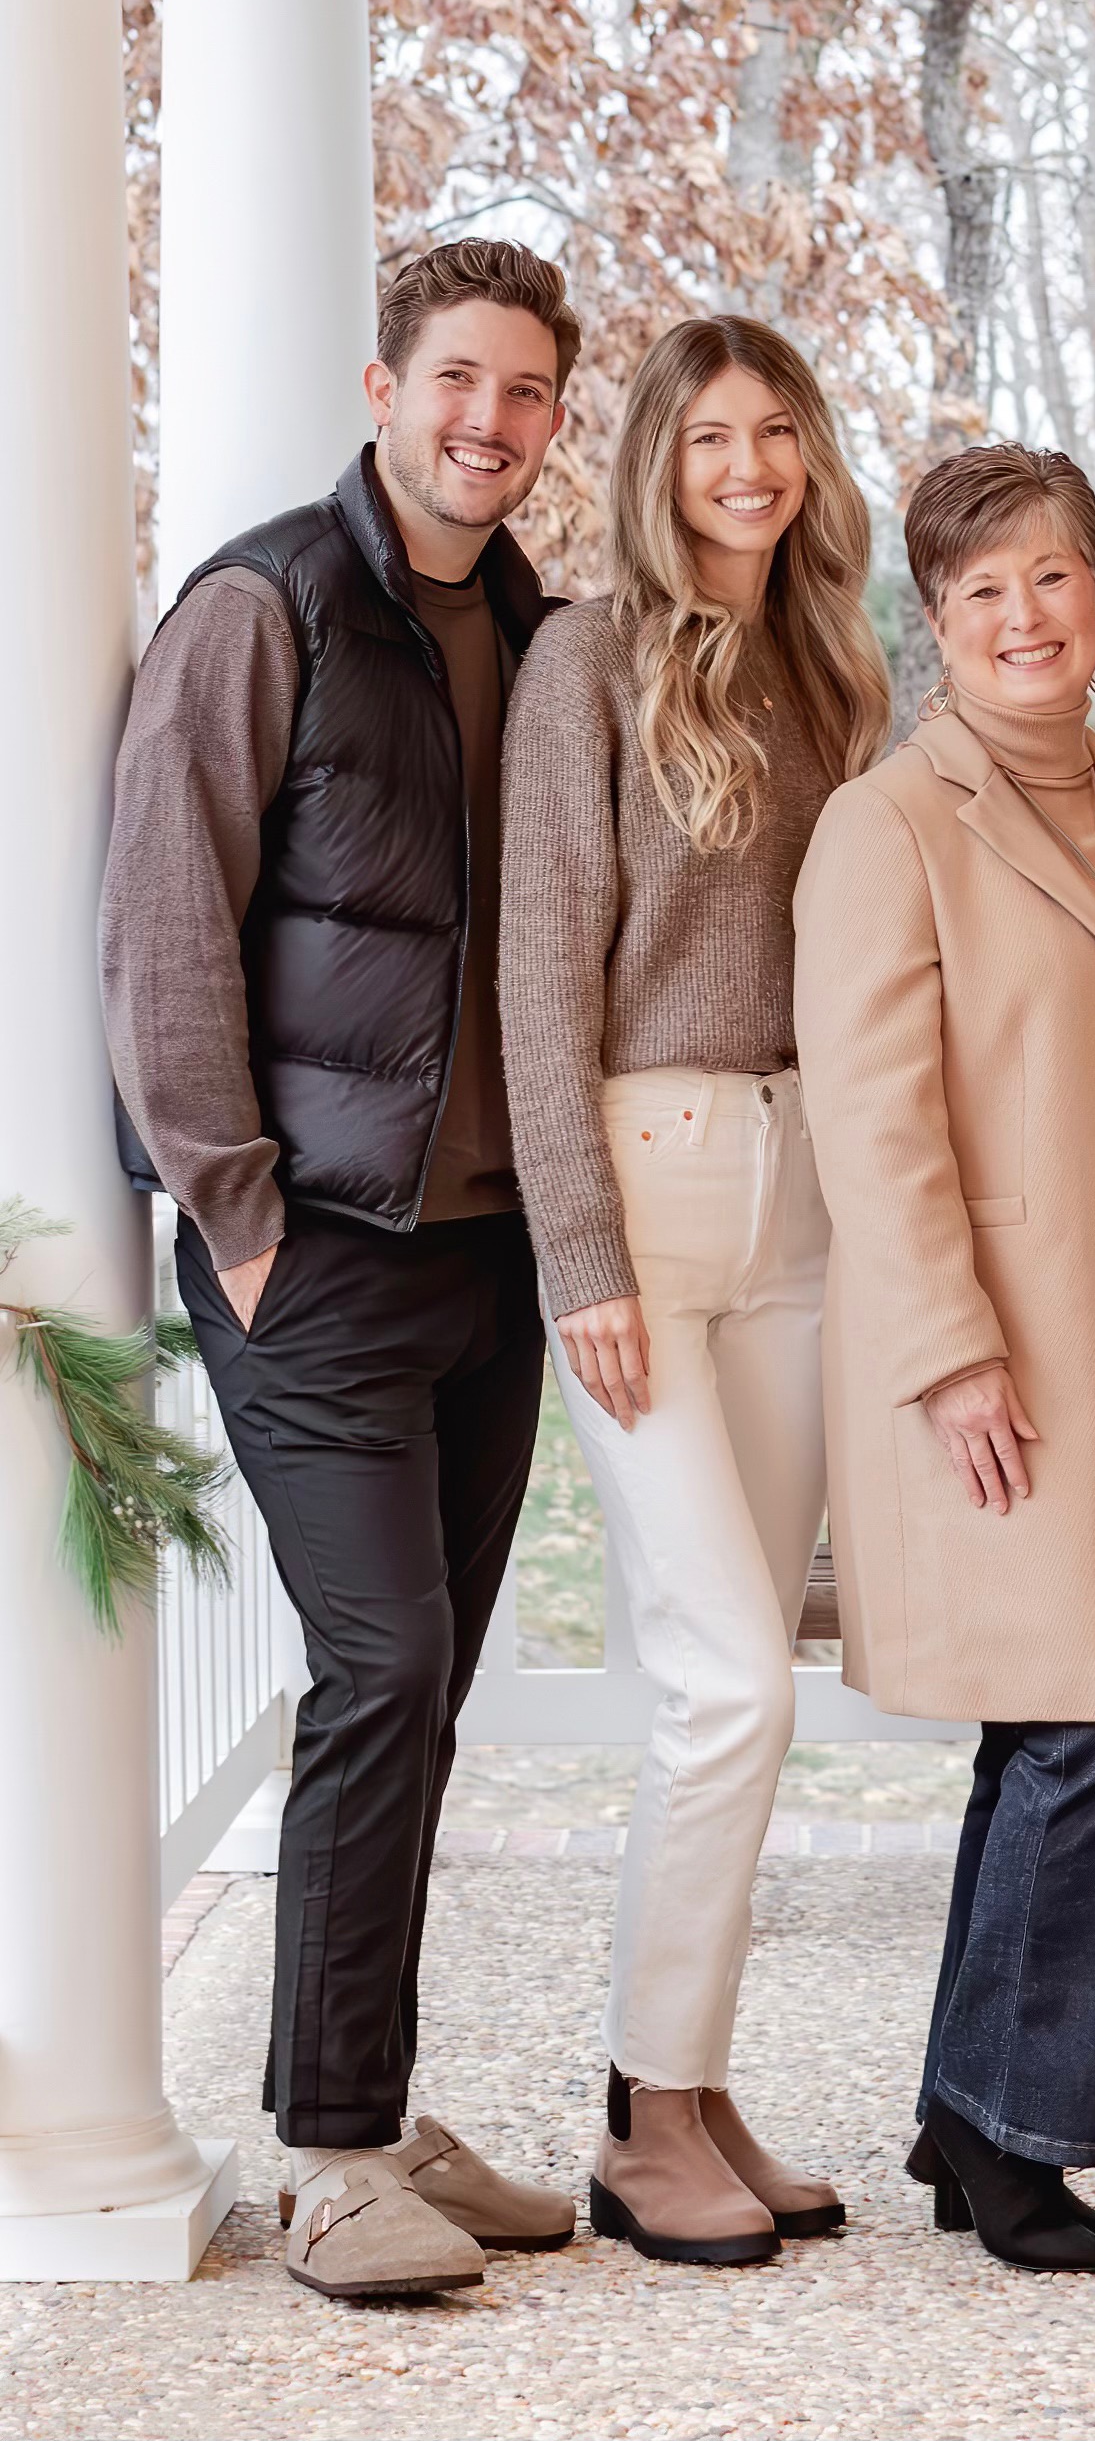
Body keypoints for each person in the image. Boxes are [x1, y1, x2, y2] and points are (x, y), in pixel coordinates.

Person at [100, 239, 582, 2299]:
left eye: (529, 393)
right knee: (380, 1665)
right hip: (320, 1252)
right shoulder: (264, 603)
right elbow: (163, 919)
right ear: (382, 386)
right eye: (457, 380)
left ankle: (371, 2105)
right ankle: (326, 2159)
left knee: (431, 1685)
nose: (489, 421)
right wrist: (242, 1212)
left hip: (486, 1257)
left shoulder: (539, 630)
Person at [797, 441, 1095, 2274]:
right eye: (982, 590)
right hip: (1021, 1341)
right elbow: (876, 1116)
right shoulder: (889, 824)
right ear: (934, 622)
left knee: (1066, 1717)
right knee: (1092, 1719)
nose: (1023, 616)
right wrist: (948, 1352)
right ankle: (1013, 2135)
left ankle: (960, 2103)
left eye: (1052, 578)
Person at [500, 316, 887, 2265]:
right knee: (722, 1675)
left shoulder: (836, 669)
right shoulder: (587, 659)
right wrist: (577, 1257)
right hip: (646, 1193)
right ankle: (645, 2109)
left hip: (806, 1192)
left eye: (776, 432)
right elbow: (538, 974)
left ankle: (697, 2078)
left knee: (749, 1688)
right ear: (654, 463)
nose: (746, 464)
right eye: (708, 436)